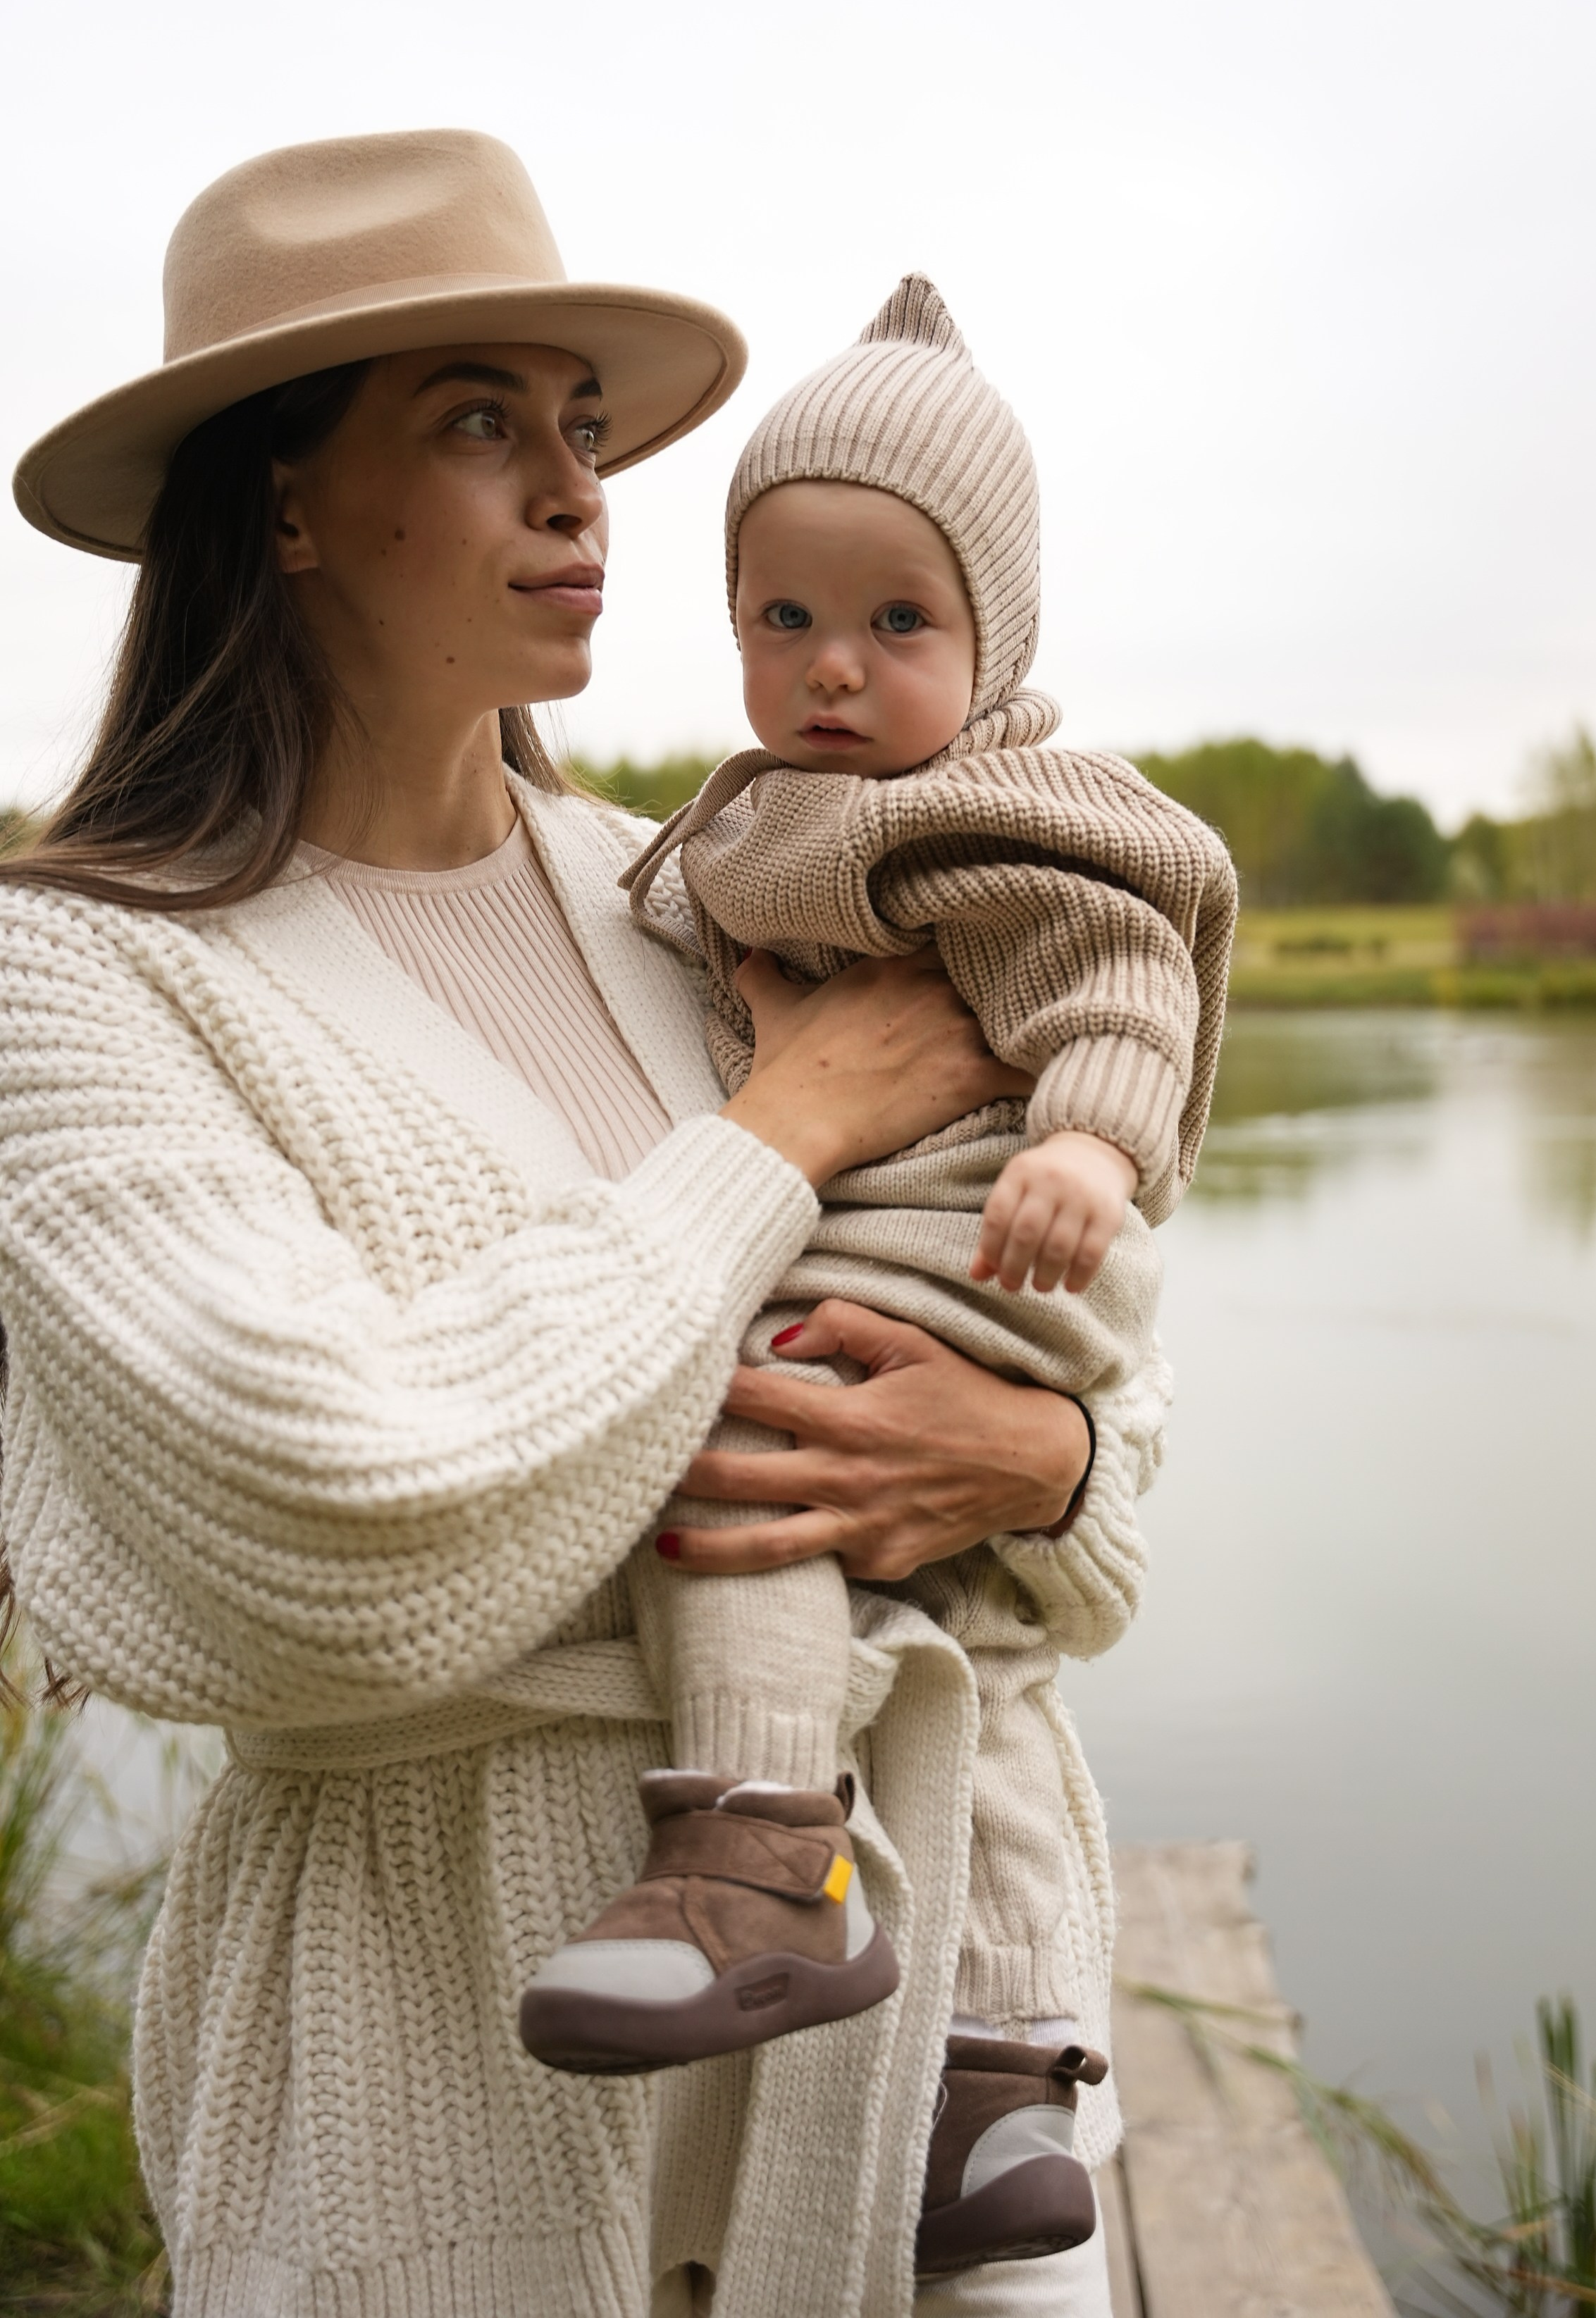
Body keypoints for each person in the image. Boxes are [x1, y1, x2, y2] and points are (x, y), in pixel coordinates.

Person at [0, 130, 1162, 2315]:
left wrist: (1044, 1466)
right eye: (475, 423)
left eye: (585, 430)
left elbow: (1089, 1363)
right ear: (282, 499)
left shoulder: (715, 893)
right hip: (439, 2043)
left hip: (929, 2080)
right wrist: (776, 1139)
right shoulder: (78, 975)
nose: (577, 492)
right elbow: (326, 1498)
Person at [521, 280, 1236, 2282]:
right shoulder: (747, 825)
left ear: (992, 645)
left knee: (741, 1474)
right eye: (783, 619)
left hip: (983, 1251)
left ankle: (761, 1843)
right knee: (978, 1665)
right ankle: (1004, 2075)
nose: (833, 670)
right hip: (944, 1282)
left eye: (897, 625)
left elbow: (1119, 973)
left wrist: (1091, 1139)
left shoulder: (984, 817)